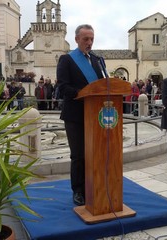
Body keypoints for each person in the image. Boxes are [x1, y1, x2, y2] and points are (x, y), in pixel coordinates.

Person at [57, 24, 106, 206]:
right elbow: (63, 87)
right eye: (86, 39)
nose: (89, 42)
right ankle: (78, 190)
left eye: (92, 39)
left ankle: (93, 184)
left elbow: (102, 85)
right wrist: (83, 93)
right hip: (75, 116)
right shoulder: (67, 60)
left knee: (94, 153)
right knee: (78, 155)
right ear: (77, 39)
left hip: (95, 114)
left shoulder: (96, 60)